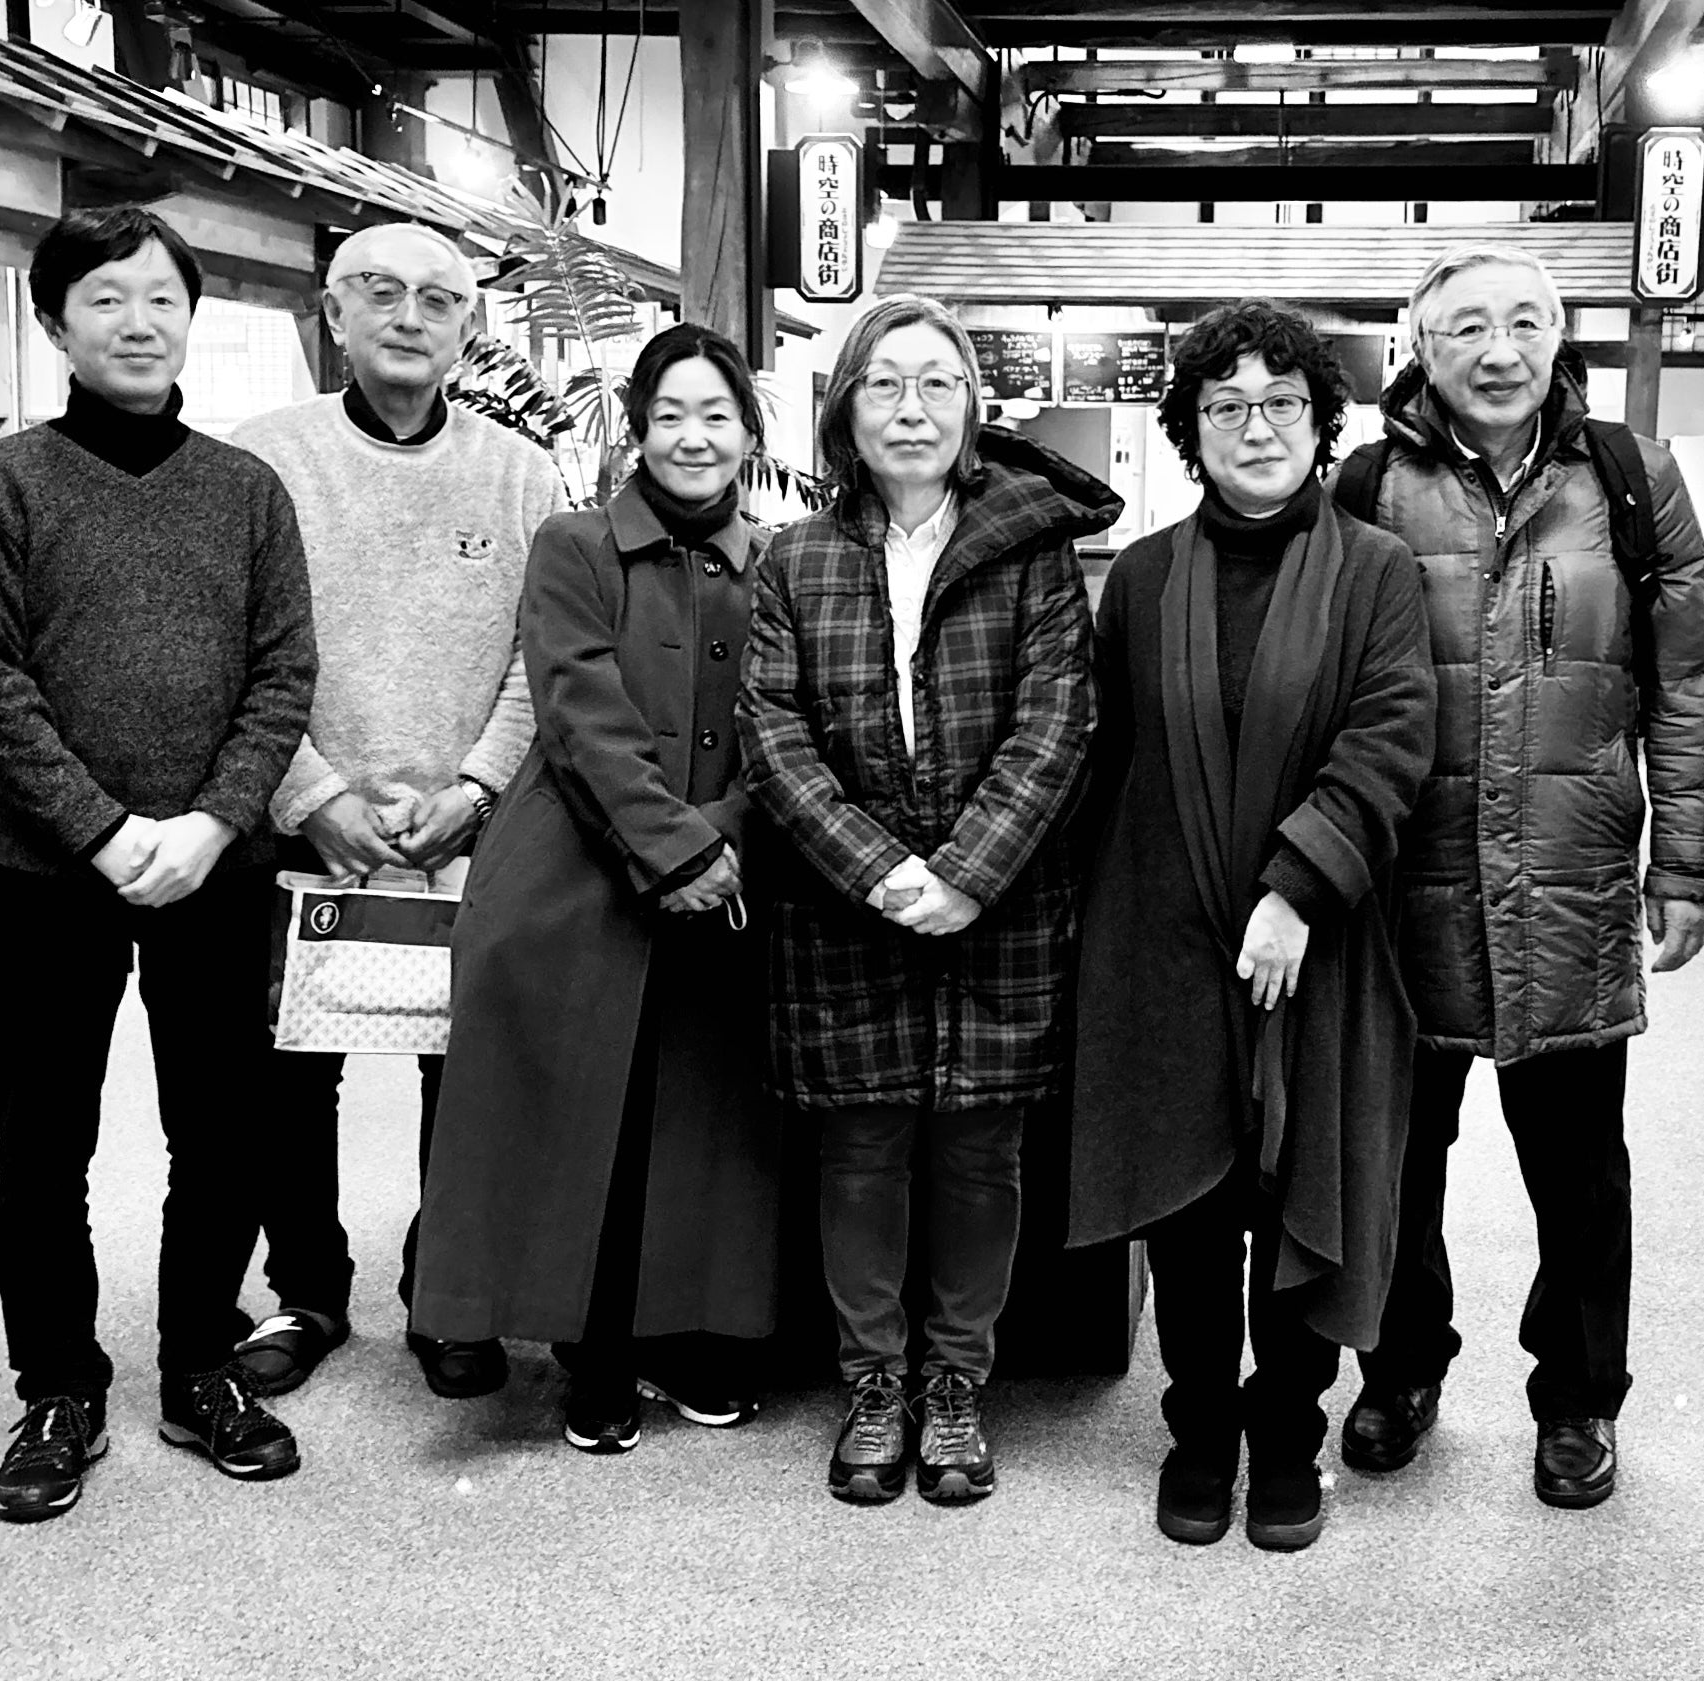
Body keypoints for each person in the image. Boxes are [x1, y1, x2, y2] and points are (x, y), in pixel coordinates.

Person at [1330, 244, 1704, 1507]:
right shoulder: (1369, 484)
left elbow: (1689, 677)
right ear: (1420, 345)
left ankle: (1577, 1397)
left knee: (1578, 1166)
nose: (1497, 351)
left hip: (1569, 874)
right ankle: (1400, 1368)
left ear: (1560, 337)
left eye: (1523, 323)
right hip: (1407, 883)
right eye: (1466, 327)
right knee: (1397, 1157)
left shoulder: (1629, 477)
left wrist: (1691, 862)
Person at [0, 206, 316, 1521]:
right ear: (56, 322)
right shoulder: (2, 483)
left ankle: (201, 1363)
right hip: (54, 875)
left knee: (221, 1133)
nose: (138, 322)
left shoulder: (245, 490)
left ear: (192, 316)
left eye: (161, 297)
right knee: (44, 1144)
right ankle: (58, 1385)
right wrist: (102, 830)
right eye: (106, 298)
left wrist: (211, 823)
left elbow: (284, 673)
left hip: (219, 867)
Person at [738, 294, 1121, 1506]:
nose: (911, 408)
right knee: (859, 1148)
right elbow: (773, 735)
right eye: (884, 383)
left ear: (971, 411)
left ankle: (954, 1383)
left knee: (978, 1151)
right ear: (845, 410)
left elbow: (1058, 723)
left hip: (998, 905)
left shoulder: (1032, 551)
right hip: (842, 904)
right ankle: (872, 1382)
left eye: (937, 384)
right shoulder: (795, 559)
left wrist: (964, 873)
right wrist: (881, 870)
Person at [1068, 301, 1434, 1552]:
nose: (1256, 427)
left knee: (1294, 1196)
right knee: (1186, 1212)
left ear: (1322, 420)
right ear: (1191, 430)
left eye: (1283, 402)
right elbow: (1108, 758)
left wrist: (1294, 888)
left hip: (1315, 943)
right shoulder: (1143, 577)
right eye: (1225, 406)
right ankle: (1199, 1431)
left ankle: (1285, 1432)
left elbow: (1391, 739)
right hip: (1165, 939)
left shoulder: (1375, 571)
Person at [411, 323, 780, 1453]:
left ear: (749, 433)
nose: (692, 437)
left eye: (716, 415)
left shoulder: (781, 562)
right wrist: (677, 849)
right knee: (591, 1125)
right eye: (669, 415)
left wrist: (722, 839)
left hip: (731, 871)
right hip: (574, 869)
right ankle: (595, 1350)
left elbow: (789, 725)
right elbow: (577, 711)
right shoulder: (573, 545)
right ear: (637, 428)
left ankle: (692, 1332)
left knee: (708, 1119)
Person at [227, 222, 562, 1403]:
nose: (409, 316)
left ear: (470, 324)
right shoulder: (263, 459)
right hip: (301, 820)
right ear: (334, 312)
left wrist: (477, 789)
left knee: (458, 1068)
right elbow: (231, 645)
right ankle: (307, 1288)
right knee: (289, 1073)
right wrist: (312, 793)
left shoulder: (521, 473)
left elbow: (543, 653)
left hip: (467, 825)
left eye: (438, 297)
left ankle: (446, 1287)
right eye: (380, 290)